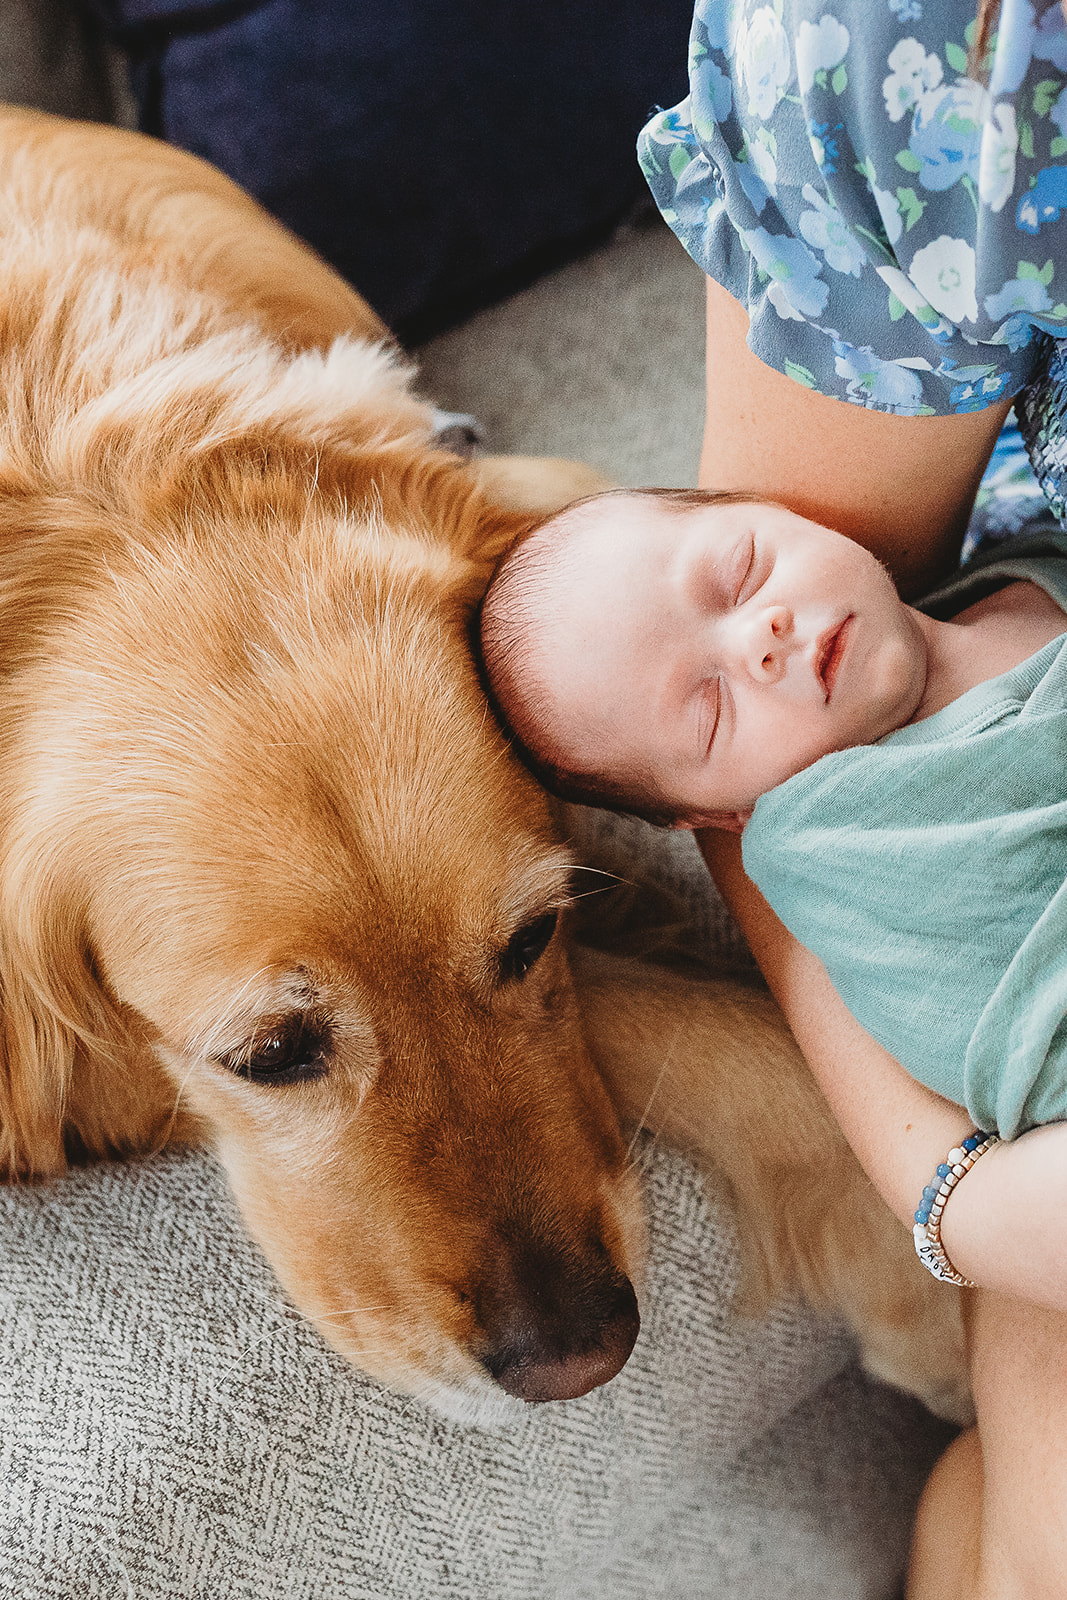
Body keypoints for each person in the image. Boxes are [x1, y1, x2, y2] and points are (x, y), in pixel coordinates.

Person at [490, 1, 1067, 1590]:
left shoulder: (994, 602)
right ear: (713, 810)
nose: (767, 638)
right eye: (706, 703)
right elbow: (993, 1005)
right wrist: (960, 1196)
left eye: (738, 573)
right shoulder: (846, 838)